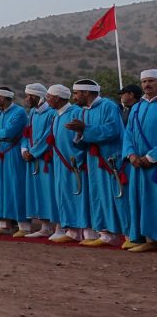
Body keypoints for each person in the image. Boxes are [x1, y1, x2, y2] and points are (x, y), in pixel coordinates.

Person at [66, 79, 128, 247]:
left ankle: (128, 235)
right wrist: (80, 133)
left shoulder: (108, 106)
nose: (74, 97)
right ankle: (105, 234)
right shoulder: (83, 111)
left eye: (76, 93)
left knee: (117, 196)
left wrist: (85, 129)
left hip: (111, 160)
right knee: (98, 196)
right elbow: (80, 138)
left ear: (86, 93)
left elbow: (112, 130)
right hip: (93, 161)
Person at [46, 85, 91, 243]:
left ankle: (88, 232)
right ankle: (71, 231)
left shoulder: (76, 112)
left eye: (49, 96)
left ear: (57, 98)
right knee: (64, 195)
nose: (46, 99)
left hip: (75, 164)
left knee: (79, 196)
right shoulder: (56, 115)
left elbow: (82, 136)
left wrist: (77, 159)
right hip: (60, 163)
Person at [0, 86, 29, 236]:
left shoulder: (19, 112)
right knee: (0, 188)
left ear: (3, 98)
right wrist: (0, 135)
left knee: (15, 186)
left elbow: (9, 132)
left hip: (13, 152)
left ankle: (23, 225)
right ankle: (4, 224)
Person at [122, 69, 157, 252]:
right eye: (144, 82)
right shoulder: (137, 107)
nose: (147, 85)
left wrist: (151, 157)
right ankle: (145, 237)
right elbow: (128, 134)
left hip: (153, 164)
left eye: (151, 81)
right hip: (137, 164)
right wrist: (131, 155)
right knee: (140, 200)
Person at [20, 83, 58, 238]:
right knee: (38, 192)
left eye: (30, 95)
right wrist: (24, 149)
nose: (27, 98)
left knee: (50, 192)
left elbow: (49, 135)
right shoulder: (33, 113)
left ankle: (59, 227)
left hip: (46, 159)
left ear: (39, 96)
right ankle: (45, 226)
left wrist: (34, 152)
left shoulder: (52, 113)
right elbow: (27, 133)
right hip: (32, 158)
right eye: (27, 95)